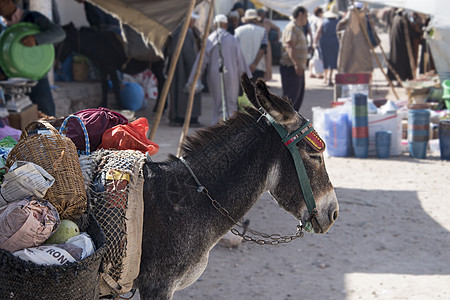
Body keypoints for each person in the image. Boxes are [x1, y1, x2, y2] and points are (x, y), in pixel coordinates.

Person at [0, 0, 66, 117]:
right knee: (15, 121)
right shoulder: (2, 27)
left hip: (37, 79)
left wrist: (36, 39)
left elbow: (59, 33)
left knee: (47, 117)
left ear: (8, 1)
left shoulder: (33, 17)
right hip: (11, 83)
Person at [187, 14, 250, 125]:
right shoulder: (232, 39)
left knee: (218, 102)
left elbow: (201, 61)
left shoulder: (210, 39)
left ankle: (217, 125)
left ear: (214, 25)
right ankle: (230, 125)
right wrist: (246, 77)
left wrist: (194, 78)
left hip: (215, 74)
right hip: (232, 75)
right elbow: (240, 61)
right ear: (225, 25)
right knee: (230, 101)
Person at [167, 13, 202, 127]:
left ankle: (177, 117)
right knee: (186, 95)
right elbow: (189, 56)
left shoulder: (177, 31)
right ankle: (187, 118)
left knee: (177, 93)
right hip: (185, 71)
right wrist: (194, 72)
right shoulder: (187, 32)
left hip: (177, 68)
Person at [279, 6, 309, 111]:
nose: (307, 18)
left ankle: (292, 122)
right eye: (306, 15)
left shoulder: (298, 28)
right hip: (291, 67)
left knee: (297, 98)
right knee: (291, 98)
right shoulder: (292, 27)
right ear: (300, 14)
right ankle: (286, 123)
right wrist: (296, 63)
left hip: (297, 67)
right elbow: (289, 46)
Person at [337, 2, 379, 74]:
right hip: (350, 49)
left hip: (361, 50)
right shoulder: (346, 22)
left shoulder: (365, 20)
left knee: (362, 70)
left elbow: (371, 34)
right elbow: (339, 32)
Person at [234, 9, 268, 80]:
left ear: (245, 20)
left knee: (243, 90)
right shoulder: (263, 31)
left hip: (242, 68)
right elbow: (263, 48)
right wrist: (254, 64)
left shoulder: (237, 31)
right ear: (256, 19)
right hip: (258, 68)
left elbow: (235, 49)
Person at [314, 3, 340, 86]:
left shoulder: (323, 21)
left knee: (325, 59)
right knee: (333, 60)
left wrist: (315, 42)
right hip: (335, 42)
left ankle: (325, 78)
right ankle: (330, 77)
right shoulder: (338, 22)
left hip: (324, 42)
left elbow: (318, 32)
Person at [387, 8, 415, 83]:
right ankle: (401, 79)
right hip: (401, 46)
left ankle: (394, 78)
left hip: (397, 45)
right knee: (401, 63)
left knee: (395, 61)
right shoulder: (403, 20)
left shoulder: (396, 18)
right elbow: (410, 33)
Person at [257, 8, 281, 81]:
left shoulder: (267, 22)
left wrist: (277, 37)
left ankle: (265, 80)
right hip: (257, 44)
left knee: (267, 62)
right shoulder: (255, 21)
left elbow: (277, 28)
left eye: (262, 14)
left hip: (267, 44)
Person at [309, 6, 324, 78]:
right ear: (319, 13)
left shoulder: (311, 18)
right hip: (317, 39)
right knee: (318, 56)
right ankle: (319, 73)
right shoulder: (319, 20)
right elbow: (318, 31)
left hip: (310, 38)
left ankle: (311, 71)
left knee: (313, 56)